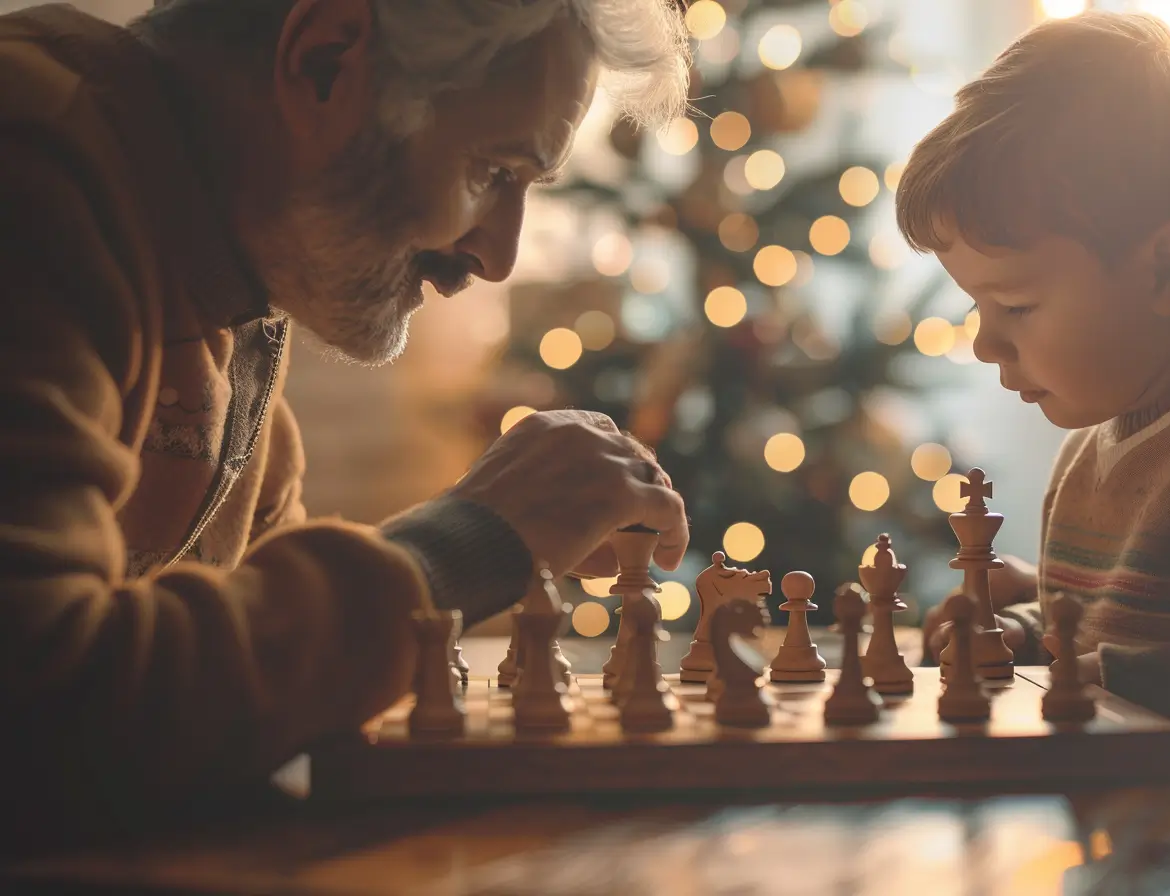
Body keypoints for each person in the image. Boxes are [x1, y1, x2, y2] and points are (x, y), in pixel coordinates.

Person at [0, 0, 690, 841]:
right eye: (492, 171)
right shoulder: (30, 165)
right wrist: (468, 543)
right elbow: (42, 719)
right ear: (323, 62)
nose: (498, 256)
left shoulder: (224, 261)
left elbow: (248, 695)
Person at [900, 11, 1170, 725]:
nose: (984, 344)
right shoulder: (1096, 440)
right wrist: (1019, 638)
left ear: (1166, 270)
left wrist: (1128, 681)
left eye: (1015, 305)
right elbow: (1112, 634)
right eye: (978, 305)